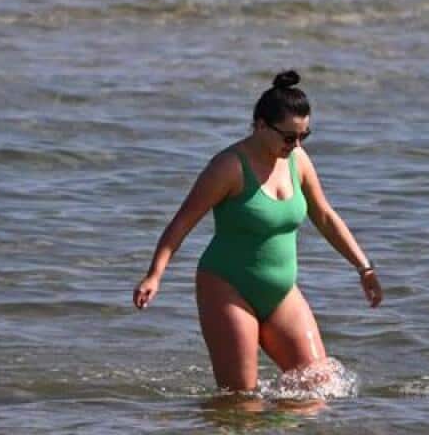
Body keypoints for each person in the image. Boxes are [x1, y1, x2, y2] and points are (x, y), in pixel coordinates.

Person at [133, 71, 382, 392]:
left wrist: (364, 268)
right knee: (241, 403)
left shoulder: (298, 161)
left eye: (304, 136)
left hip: (281, 292)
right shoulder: (228, 167)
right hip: (227, 288)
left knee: (319, 387)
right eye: (289, 137)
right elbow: (182, 222)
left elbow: (324, 216)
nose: (296, 145)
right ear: (261, 125)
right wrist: (155, 274)